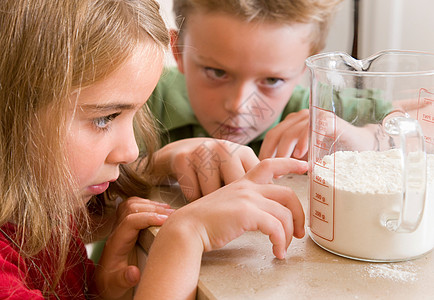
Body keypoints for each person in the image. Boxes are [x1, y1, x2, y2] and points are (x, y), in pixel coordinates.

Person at [0, 0, 308, 299]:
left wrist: (99, 292)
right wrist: (184, 236)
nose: (131, 151)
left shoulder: (43, 211)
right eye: (104, 118)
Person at [148, 0, 343, 160]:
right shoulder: (139, 101)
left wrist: (366, 138)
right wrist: (152, 166)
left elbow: (373, 122)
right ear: (178, 51)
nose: (238, 106)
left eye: (272, 80)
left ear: (305, 66)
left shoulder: (324, 111)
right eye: (216, 72)